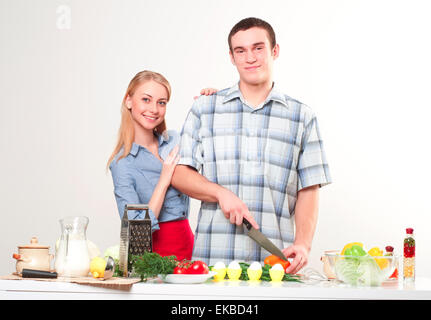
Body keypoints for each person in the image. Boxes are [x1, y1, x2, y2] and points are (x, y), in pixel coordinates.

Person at [171, 17, 332, 273]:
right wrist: (220, 193)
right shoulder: (205, 108)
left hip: (275, 267)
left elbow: (309, 187)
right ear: (232, 57)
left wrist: (303, 243)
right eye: (241, 51)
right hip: (213, 263)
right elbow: (179, 173)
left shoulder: (302, 117)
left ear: (274, 51)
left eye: (258, 48)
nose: (250, 57)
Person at [107, 70, 216, 261]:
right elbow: (135, 232)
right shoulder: (122, 163)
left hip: (189, 245)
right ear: (129, 101)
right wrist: (164, 180)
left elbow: (214, 154)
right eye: (146, 100)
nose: (154, 109)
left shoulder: (174, 141)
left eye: (161, 102)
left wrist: (213, 106)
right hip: (154, 257)